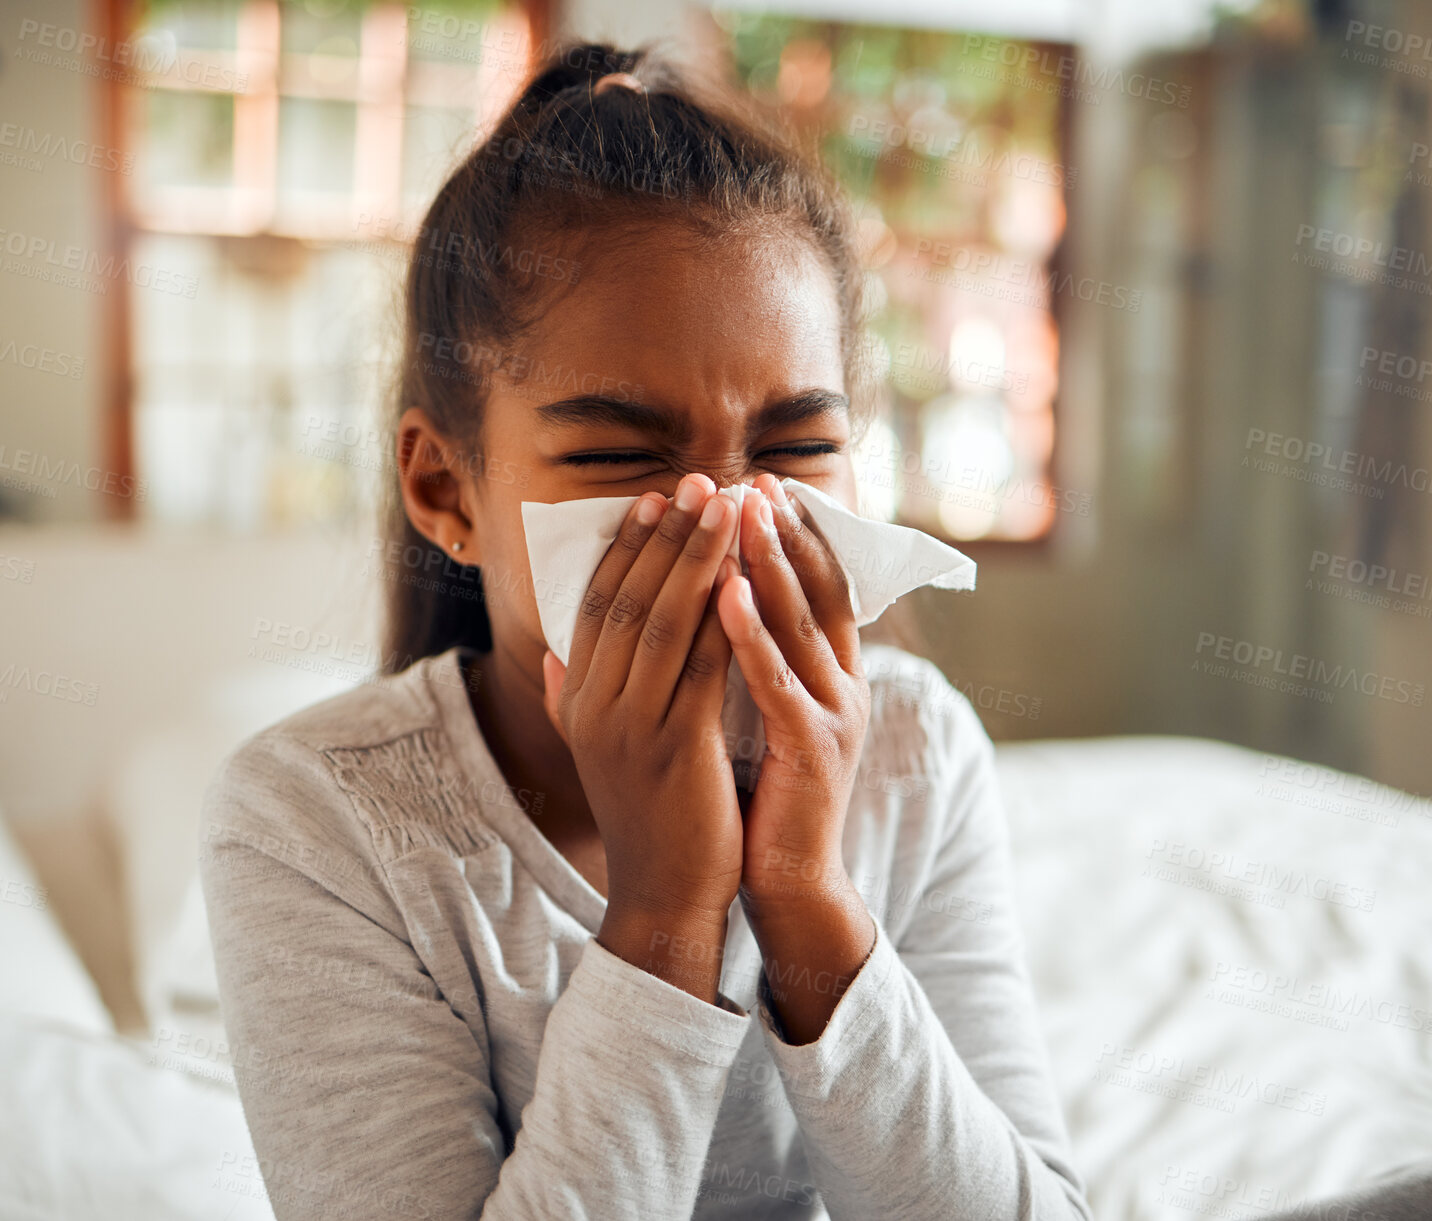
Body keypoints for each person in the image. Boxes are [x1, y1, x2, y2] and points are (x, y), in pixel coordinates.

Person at [200, 41, 1091, 1220]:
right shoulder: (316, 818)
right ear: (445, 491)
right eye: (622, 458)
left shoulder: (917, 748)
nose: (724, 522)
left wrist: (806, 896)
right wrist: (668, 912)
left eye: (793, 452)